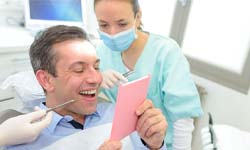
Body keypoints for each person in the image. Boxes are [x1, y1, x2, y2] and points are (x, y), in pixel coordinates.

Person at [4, 25, 167, 149]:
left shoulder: (119, 114)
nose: (96, 79)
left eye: (96, 67)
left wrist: (155, 145)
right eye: (79, 70)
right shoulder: (21, 140)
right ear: (46, 80)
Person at [93, 0, 203, 149]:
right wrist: (98, 80)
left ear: (137, 18)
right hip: (125, 141)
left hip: (162, 143)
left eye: (122, 24)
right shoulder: (100, 51)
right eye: (104, 25)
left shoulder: (165, 52)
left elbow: (182, 117)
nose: (112, 33)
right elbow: (81, 94)